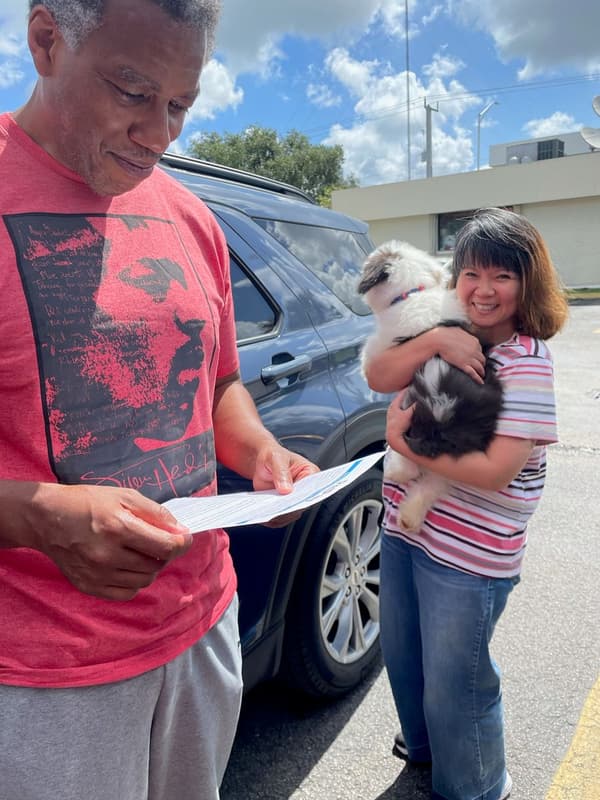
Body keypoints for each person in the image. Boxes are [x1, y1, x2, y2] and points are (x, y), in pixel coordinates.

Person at [0, 2, 318, 799]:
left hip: (205, 624)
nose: (161, 133)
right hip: (42, 675)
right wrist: (36, 513)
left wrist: (260, 453)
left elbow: (220, 384)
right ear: (45, 40)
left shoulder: (191, 217)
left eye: (182, 104)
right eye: (132, 91)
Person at [363, 208, 569, 800]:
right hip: (406, 530)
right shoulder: (447, 330)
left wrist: (404, 443)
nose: (483, 289)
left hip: (471, 554)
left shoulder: (526, 362)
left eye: (502, 276)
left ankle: (476, 785)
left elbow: (498, 472)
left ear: (529, 283)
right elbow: (379, 371)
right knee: (405, 659)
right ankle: (426, 752)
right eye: (470, 273)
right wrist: (433, 337)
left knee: (458, 683)